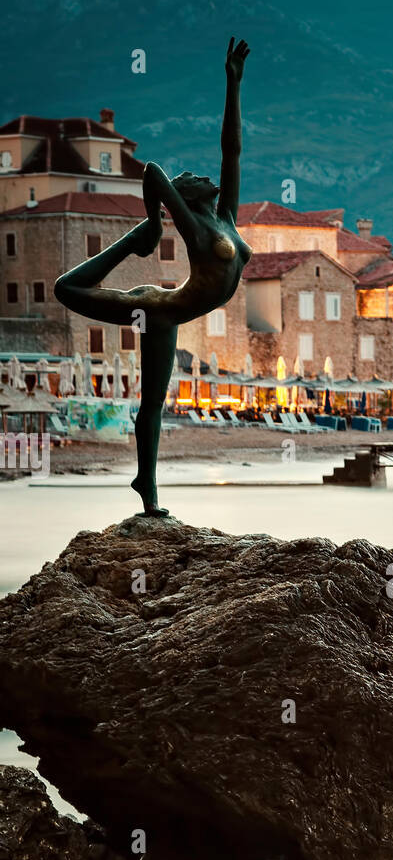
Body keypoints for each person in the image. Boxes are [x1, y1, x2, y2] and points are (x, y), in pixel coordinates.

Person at [54, 38, 252, 515]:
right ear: (186, 197)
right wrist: (156, 223)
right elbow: (153, 172)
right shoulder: (196, 226)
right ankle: (131, 241)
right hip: (157, 309)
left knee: (152, 405)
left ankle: (147, 482)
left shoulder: (225, 215)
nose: (206, 175)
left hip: (169, 310)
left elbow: (233, 148)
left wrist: (232, 82)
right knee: (66, 290)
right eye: (195, 176)